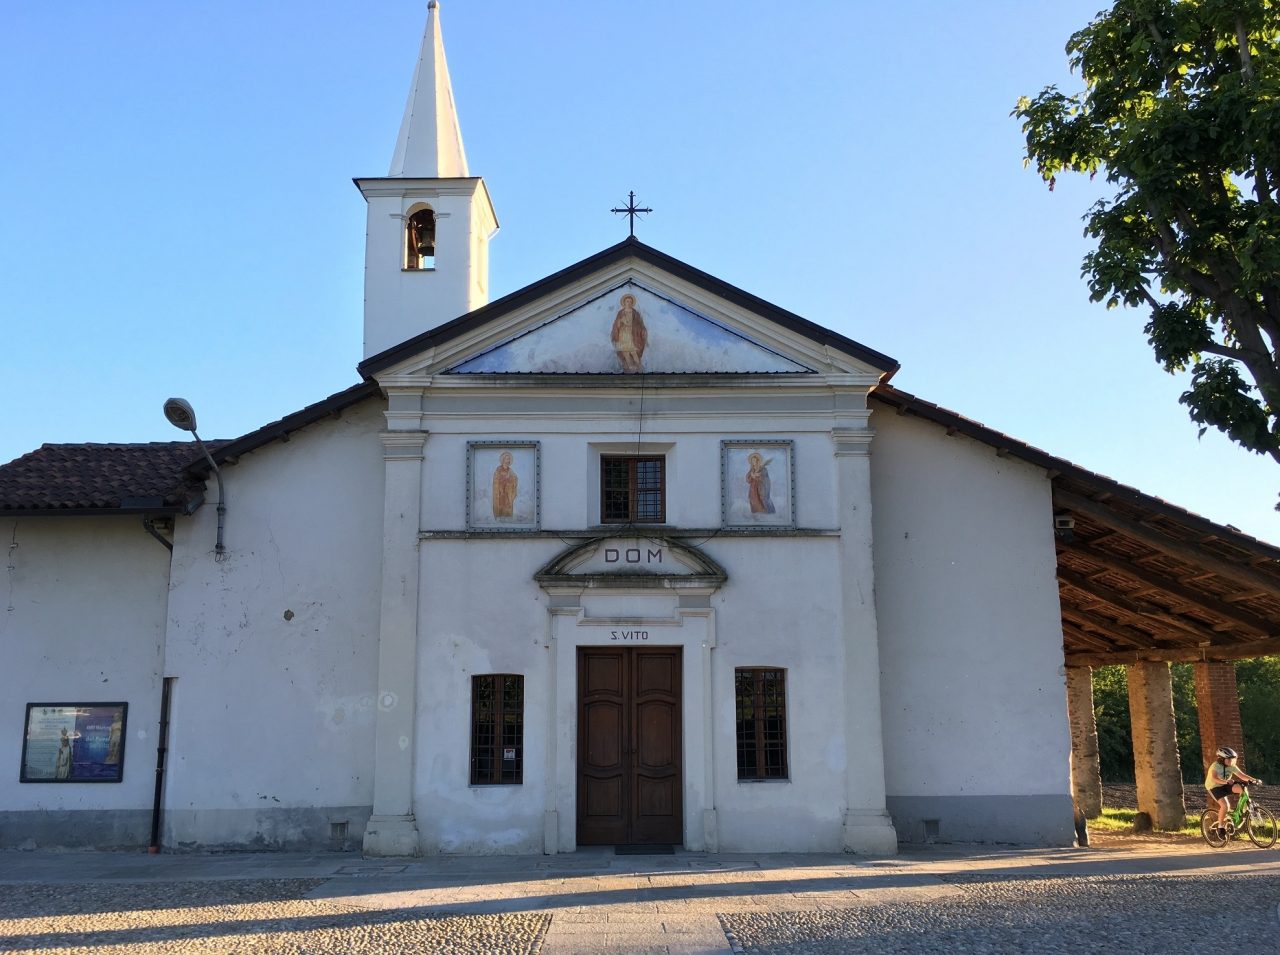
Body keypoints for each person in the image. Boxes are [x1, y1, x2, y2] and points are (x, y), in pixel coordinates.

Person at [1205, 746, 1261, 831]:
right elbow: (1214, 778)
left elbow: (1242, 776)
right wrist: (1226, 782)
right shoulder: (1215, 766)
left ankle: (1243, 810)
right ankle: (1220, 827)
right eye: (1229, 759)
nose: (1231, 761)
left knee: (1242, 788)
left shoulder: (1232, 766)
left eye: (1233, 759)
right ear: (1222, 759)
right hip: (1214, 787)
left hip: (1225, 784)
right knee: (1225, 806)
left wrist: (1254, 780)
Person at [610, 294, 647, 373]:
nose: (629, 303)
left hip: (632, 334)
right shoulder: (621, 313)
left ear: (632, 303)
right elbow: (617, 324)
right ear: (624, 303)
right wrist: (620, 322)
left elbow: (640, 323)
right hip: (623, 334)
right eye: (627, 301)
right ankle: (629, 367)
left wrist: (642, 330)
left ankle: (638, 366)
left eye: (630, 302)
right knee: (625, 351)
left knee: (633, 351)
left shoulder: (635, 313)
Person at [491, 451, 518, 519]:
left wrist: (511, 481)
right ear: (503, 460)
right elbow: (496, 480)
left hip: (508, 493)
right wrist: (502, 481)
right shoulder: (498, 470)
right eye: (506, 459)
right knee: (501, 506)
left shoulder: (510, 471)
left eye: (509, 459)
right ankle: (499, 517)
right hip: (500, 493)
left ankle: (507, 518)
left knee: (508, 506)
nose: (508, 460)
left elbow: (515, 479)